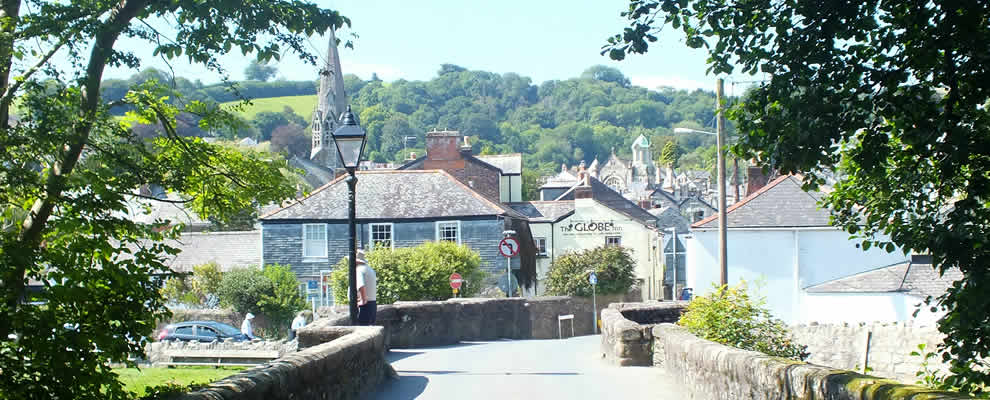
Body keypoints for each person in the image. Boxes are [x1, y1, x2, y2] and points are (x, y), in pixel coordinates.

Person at [355, 249, 377, 325]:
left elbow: (361, 285)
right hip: (372, 305)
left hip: (365, 306)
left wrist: (363, 300)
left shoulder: (358, 270)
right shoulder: (369, 269)